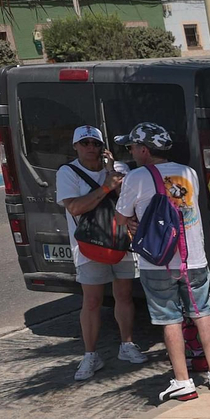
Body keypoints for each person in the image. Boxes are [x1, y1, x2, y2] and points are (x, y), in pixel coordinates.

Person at [112, 122, 210, 402]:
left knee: (170, 319)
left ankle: (183, 380)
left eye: (131, 147)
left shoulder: (136, 177)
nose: (130, 152)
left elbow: (120, 216)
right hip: (194, 257)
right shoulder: (188, 172)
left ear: (143, 150)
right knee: (202, 313)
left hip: (158, 261)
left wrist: (131, 219)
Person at [57, 125, 148, 380]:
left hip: (121, 243)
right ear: (76, 146)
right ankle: (90, 354)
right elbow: (74, 207)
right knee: (92, 301)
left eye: (95, 144)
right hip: (90, 246)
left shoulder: (119, 170)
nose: (91, 148)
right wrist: (105, 187)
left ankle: (127, 344)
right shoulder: (68, 172)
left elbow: (128, 202)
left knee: (125, 295)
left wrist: (111, 173)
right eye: (85, 143)